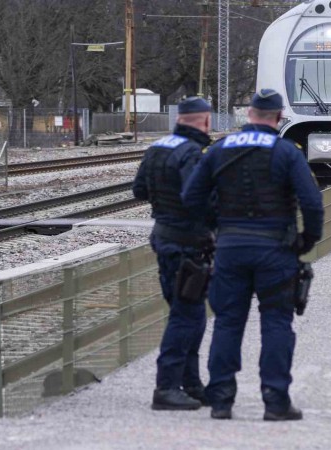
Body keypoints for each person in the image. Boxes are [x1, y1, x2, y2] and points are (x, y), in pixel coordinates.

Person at [182, 89, 324, 421]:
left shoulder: (218, 150)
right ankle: (275, 401)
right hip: (276, 250)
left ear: (249, 114)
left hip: (230, 248)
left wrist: (215, 229)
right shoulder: (286, 152)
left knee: (228, 323)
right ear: (278, 117)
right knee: (276, 322)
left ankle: (221, 401)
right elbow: (312, 203)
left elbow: (191, 198)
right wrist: (306, 241)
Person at [132, 96, 214, 411]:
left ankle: (191, 385)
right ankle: (166, 388)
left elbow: (139, 190)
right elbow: (198, 199)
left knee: (186, 312)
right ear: (204, 120)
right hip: (187, 245)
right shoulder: (192, 153)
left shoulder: (157, 147)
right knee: (187, 316)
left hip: (164, 238)